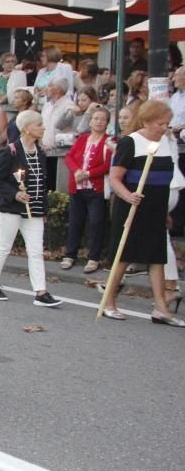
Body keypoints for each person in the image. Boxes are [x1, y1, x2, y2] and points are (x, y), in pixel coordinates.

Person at [100, 101, 183, 325]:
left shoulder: (165, 142)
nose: (164, 128)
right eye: (160, 123)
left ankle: (161, 309)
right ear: (146, 121)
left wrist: (165, 211)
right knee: (124, 256)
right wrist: (128, 196)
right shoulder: (130, 142)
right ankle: (109, 302)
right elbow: (116, 178)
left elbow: (164, 182)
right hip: (132, 207)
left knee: (157, 257)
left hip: (156, 207)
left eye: (166, 124)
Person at [0, 110, 60, 307]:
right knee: (4, 246)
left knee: (35, 251)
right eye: (39, 124)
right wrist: (15, 193)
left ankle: (40, 292)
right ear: (26, 128)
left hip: (33, 210)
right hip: (10, 208)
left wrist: (43, 210)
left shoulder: (40, 152)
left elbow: (42, 184)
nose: (43, 128)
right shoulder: (10, 151)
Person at [61, 107, 115, 274]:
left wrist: (88, 174)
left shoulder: (109, 141)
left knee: (96, 222)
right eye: (96, 118)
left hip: (95, 188)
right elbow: (69, 156)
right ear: (90, 121)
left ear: (107, 123)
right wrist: (77, 171)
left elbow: (108, 164)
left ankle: (94, 257)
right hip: (77, 187)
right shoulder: (83, 138)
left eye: (102, 119)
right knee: (75, 222)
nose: (98, 122)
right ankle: (70, 254)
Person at [40, 78, 75, 148]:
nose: (46, 89)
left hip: (60, 151)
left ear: (58, 89)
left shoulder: (69, 106)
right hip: (44, 149)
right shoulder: (47, 105)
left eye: (50, 86)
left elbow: (61, 126)